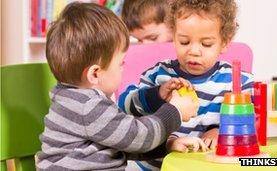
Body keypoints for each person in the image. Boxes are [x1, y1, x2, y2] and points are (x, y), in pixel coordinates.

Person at [35, 2, 206, 171]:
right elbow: (138, 136)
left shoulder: (74, 100)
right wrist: (174, 111)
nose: (123, 68)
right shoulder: (88, 107)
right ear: (95, 74)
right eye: (120, 63)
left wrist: (167, 145)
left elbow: (122, 142)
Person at [119, 0, 254, 170]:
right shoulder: (158, 75)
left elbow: (252, 124)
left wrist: (221, 131)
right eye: (184, 42)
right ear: (173, 36)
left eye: (206, 44)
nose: (194, 51)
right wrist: (157, 94)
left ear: (225, 42)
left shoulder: (238, 82)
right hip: (154, 167)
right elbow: (124, 106)